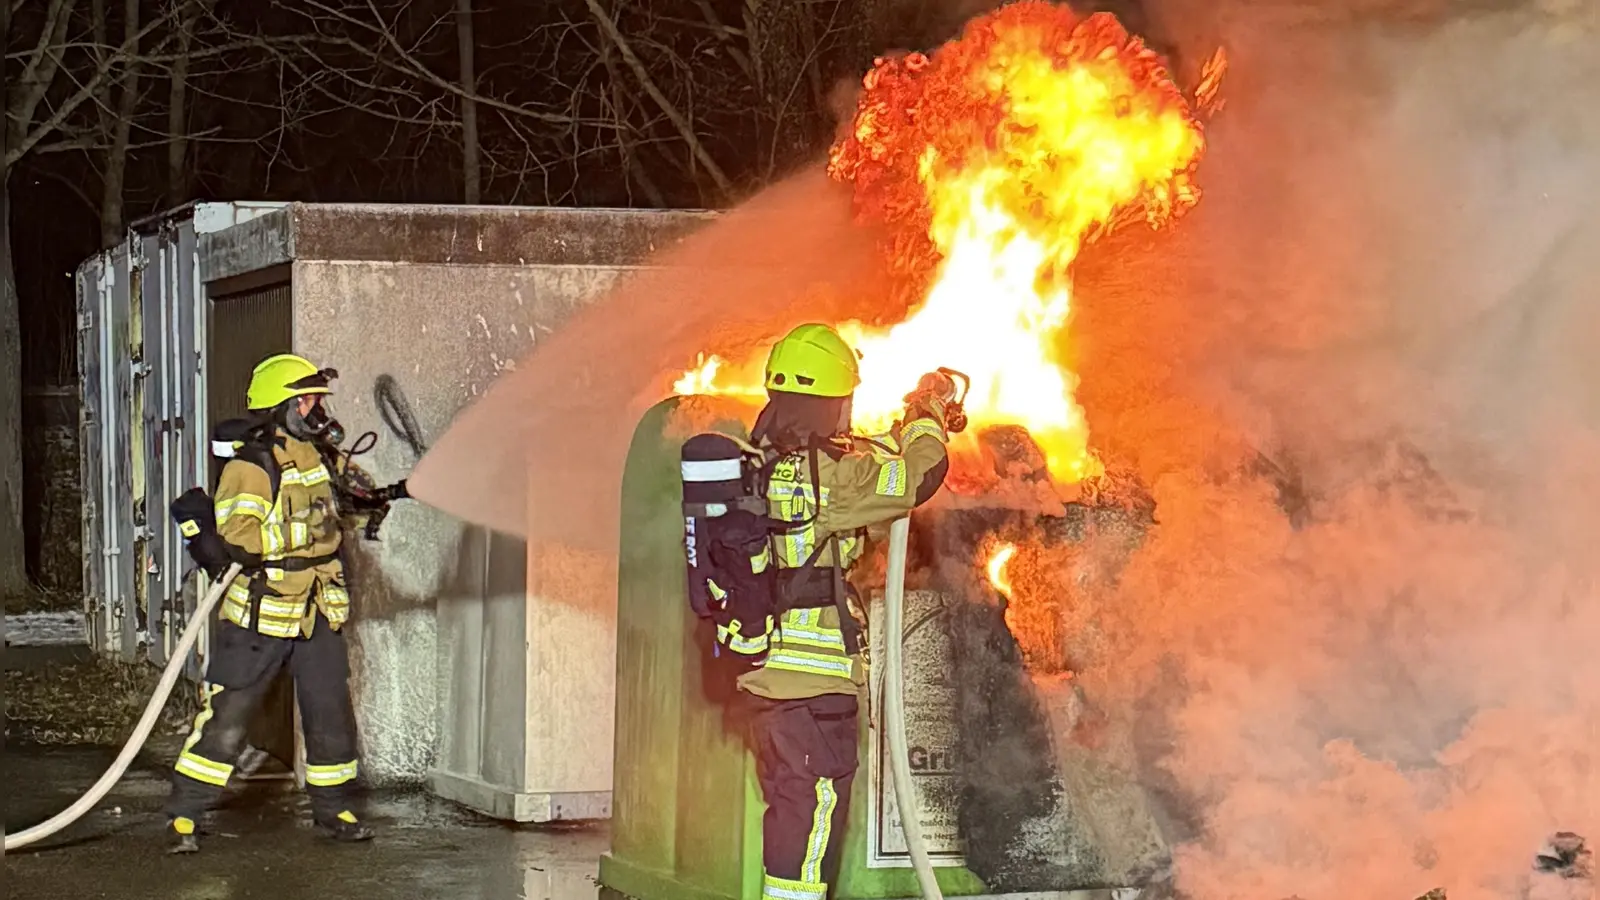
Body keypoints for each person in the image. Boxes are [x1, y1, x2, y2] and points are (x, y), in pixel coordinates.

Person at [741, 323, 956, 900]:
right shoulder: (833, 479)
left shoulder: (763, 461)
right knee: (812, 814)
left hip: (766, 678)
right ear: (835, 400)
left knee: (792, 804)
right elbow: (914, 477)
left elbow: (865, 463)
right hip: (814, 687)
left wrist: (897, 428)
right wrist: (927, 420)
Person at [164, 353, 373, 853]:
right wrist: (313, 529)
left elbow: (342, 511)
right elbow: (241, 539)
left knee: (329, 714)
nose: (317, 408)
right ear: (282, 407)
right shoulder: (250, 466)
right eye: (307, 399)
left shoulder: (323, 457)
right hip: (262, 610)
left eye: (318, 398)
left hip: (319, 608)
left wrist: (367, 504)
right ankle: (184, 816)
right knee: (229, 717)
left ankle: (334, 811)